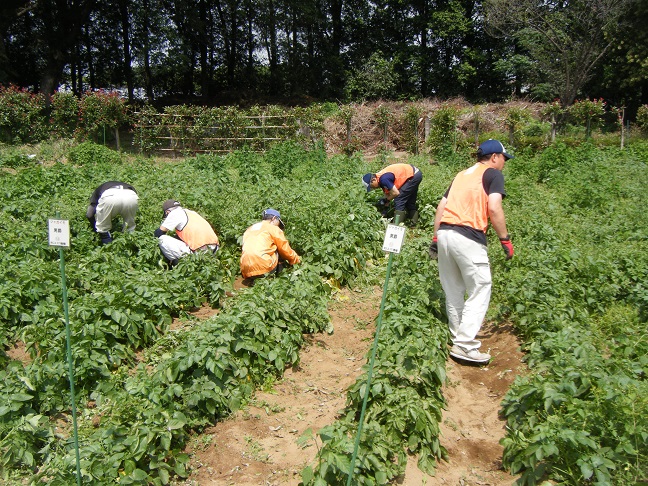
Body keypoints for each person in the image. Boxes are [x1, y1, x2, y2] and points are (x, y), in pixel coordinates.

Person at [430, 139, 515, 364]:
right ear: (495, 157)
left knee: (454, 290)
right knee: (480, 287)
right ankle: (465, 345)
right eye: (504, 158)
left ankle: (457, 338)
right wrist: (505, 239)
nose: (504, 163)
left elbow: (441, 207)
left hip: (446, 233)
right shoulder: (493, 174)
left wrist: (436, 238)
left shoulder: (461, 175)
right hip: (468, 237)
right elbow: (494, 207)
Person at [240, 208, 301, 284]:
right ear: (274, 218)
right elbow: (285, 249)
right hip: (264, 268)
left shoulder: (249, 229)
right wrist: (296, 260)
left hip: (246, 270)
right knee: (278, 248)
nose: (278, 226)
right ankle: (280, 279)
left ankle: (253, 279)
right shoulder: (273, 228)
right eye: (278, 223)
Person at [155, 199, 219, 266]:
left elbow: (159, 233)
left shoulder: (175, 213)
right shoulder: (191, 212)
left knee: (162, 239)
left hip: (199, 252)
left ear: (167, 212)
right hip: (215, 250)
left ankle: (176, 266)